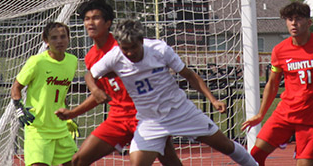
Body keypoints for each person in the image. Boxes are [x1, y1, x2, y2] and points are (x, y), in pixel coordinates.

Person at [89, 19, 257, 166]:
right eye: (125, 49)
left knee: (225, 146)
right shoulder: (115, 56)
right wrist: (95, 89)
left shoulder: (160, 49)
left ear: (141, 40)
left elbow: (190, 75)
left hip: (180, 111)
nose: (130, 53)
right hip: (151, 121)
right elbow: (89, 74)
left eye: (133, 47)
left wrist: (213, 100)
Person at [56, 0, 182, 165]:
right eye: (86, 19)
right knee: (79, 160)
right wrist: (73, 113)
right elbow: (101, 94)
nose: (90, 23)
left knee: (169, 161)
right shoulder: (91, 57)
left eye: (96, 18)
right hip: (118, 118)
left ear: (108, 23)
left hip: (145, 116)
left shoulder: (123, 47)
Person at [241, 1, 313, 166]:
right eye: (289, 19)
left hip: (312, 119)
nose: (293, 23)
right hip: (285, 114)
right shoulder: (280, 50)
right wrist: (261, 114)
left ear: (309, 22)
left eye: (298, 19)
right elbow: (273, 83)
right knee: (253, 157)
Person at [11, 22, 78, 166]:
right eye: (54, 38)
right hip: (38, 129)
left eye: (62, 37)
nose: (59, 41)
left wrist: (68, 116)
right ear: (46, 41)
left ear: (68, 38)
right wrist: (19, 108)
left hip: (60, 129)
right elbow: (16, 87)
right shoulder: (37, 62)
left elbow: (62, 92)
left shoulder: (73, 61)